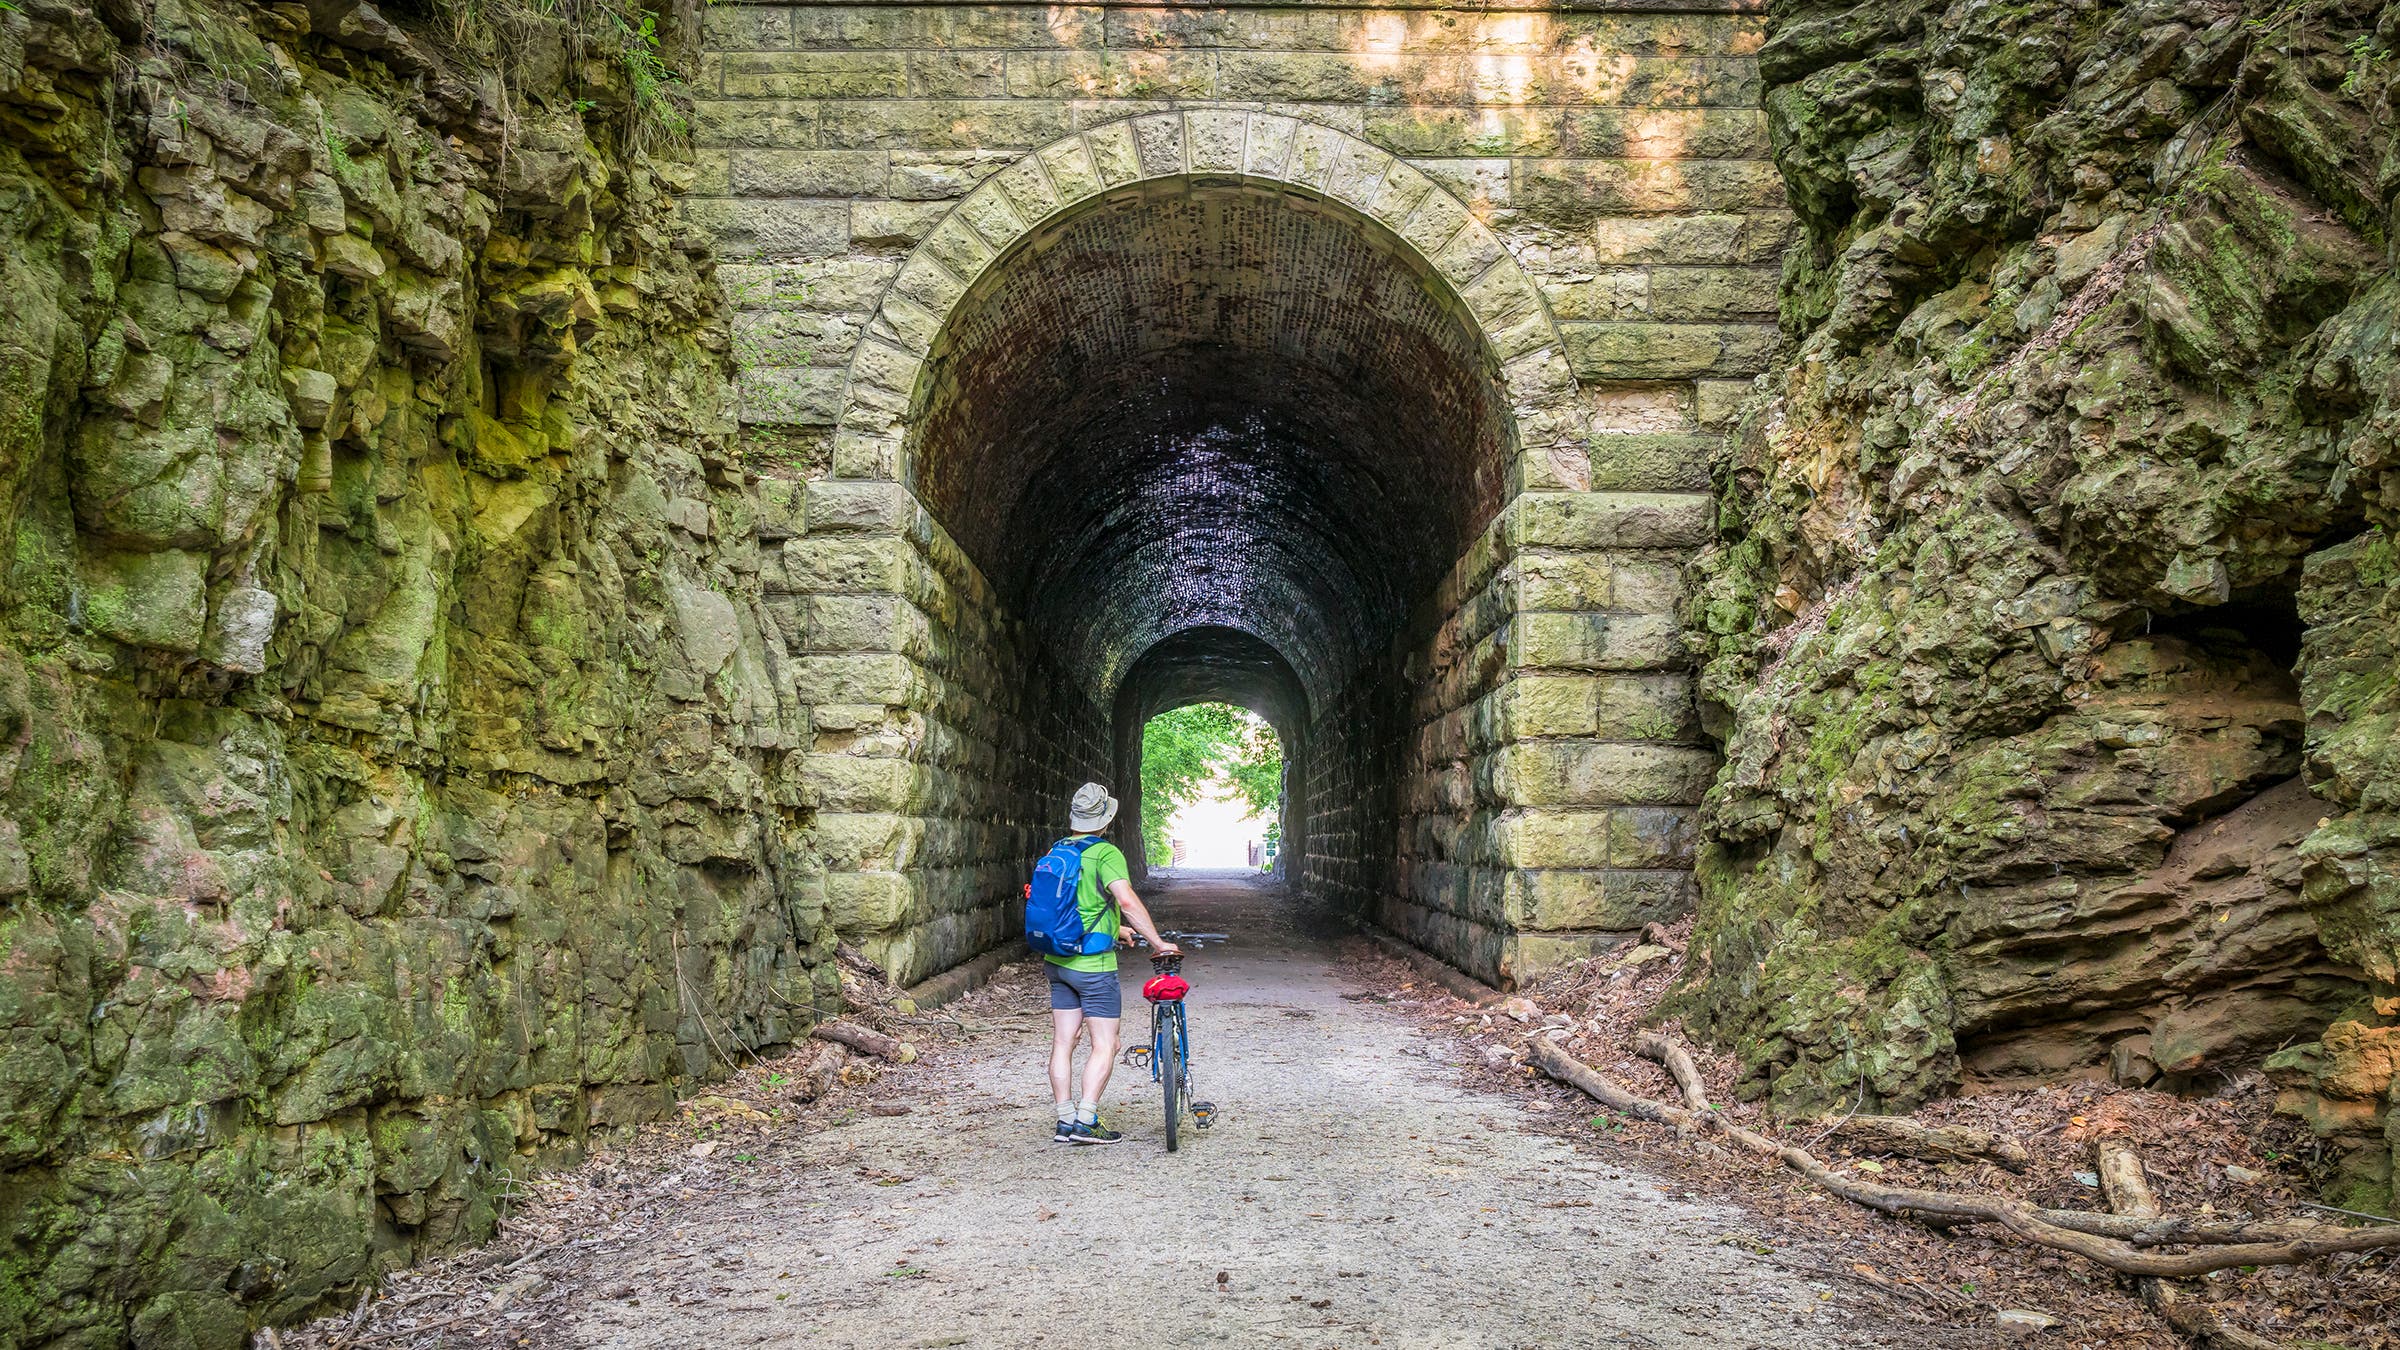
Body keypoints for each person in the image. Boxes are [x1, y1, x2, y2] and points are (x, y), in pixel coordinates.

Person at [1046, 781, 1178, 1144]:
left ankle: (1064, 1120)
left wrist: (1114, 927)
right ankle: (1086, 1120)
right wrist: (1158, 942)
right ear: (1105, 821)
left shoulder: (1058, 849)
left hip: (1057, 961)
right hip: (1093, 966)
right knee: (1107, 1043)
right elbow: (1128, 900)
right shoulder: (1105, 853)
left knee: (1063, 1041)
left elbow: (1072, 906)